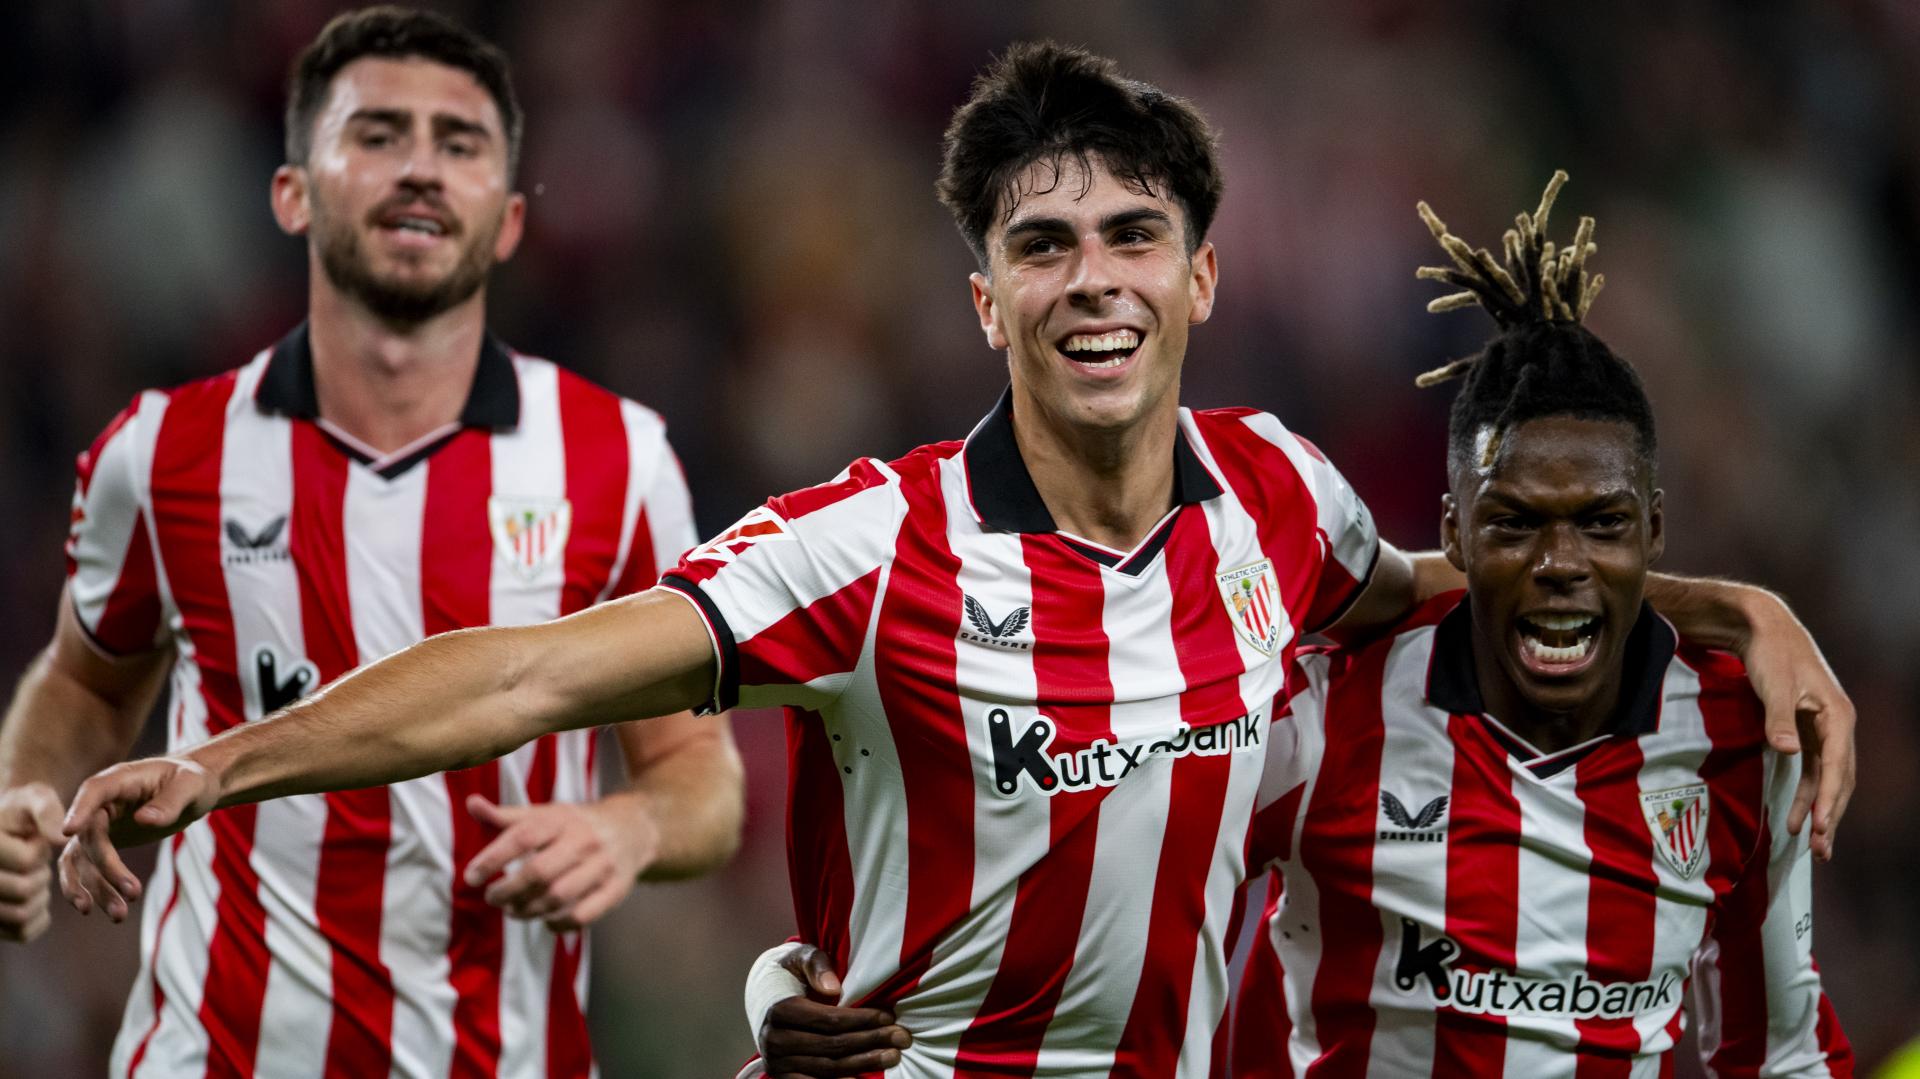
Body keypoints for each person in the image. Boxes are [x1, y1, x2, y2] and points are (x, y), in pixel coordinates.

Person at [60, 45, 1851, 1077]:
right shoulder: (875, 542)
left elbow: (1467, 579)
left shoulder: (1281, 501)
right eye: (1043, 244)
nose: (1094, 278)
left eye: (1133, 235)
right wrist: (224, 764)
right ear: (986, 297)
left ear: (1201, 278)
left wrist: (1733, 606)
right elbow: (533, 668)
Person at [0, 7, 742, 1077]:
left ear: (509, 220)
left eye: (460, 142)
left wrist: (631, 827)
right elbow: (85, 681)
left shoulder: (619, 460)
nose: (421, 169)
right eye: (379, 134)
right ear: (292, 193)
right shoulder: (162, 450)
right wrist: (27, 787)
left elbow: (702, 781)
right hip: (216, 1053)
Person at [1226, 174, 1852, 1076]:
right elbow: (1147, 921)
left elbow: (1782, 1053)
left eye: (1603, 522)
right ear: (1454, 532)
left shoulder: (1741, 743)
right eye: (1515, 522)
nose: (1562, 562)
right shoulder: (1323, 719)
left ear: (1654, 530)